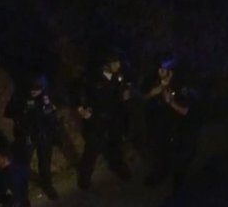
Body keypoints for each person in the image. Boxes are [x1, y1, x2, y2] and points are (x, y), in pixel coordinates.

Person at [76, 49, 133, 190]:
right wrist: (82, 109)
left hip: (114, 117)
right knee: (92, 149)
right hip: (96, 118)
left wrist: (125, 97)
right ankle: (84, 179)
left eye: (118, 61)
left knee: (115, 144)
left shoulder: (118, 76)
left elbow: (123, 89)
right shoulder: (92, 79)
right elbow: (80, 94)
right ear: (106, 65)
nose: (118, 65)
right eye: (115, 62)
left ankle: (120, 168)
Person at [142, 53, 198, 192]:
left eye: (163, 70)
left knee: (178, 155)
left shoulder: (181, 86)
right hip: (160, 123)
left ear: (171, 71)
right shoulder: (156, 81)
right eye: (159, 69)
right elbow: (144, 96)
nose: (160, 72)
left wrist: (170, 102)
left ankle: (178, 180)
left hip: (178, 126)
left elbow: (184, 110)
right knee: (159, 151)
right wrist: (155, 92)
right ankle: (160, 173)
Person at [4, 74, 61, 200]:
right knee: (24, 164)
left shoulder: (47, 95)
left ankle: (47, 185)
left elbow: (53, 113)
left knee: (45, 164)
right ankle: (22, 192)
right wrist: (21, 110)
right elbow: (8, 112)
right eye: (34, 89)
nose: (36, 92)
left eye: (39, 89)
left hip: (44, 135)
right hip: (28, 136)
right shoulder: (21, 96)